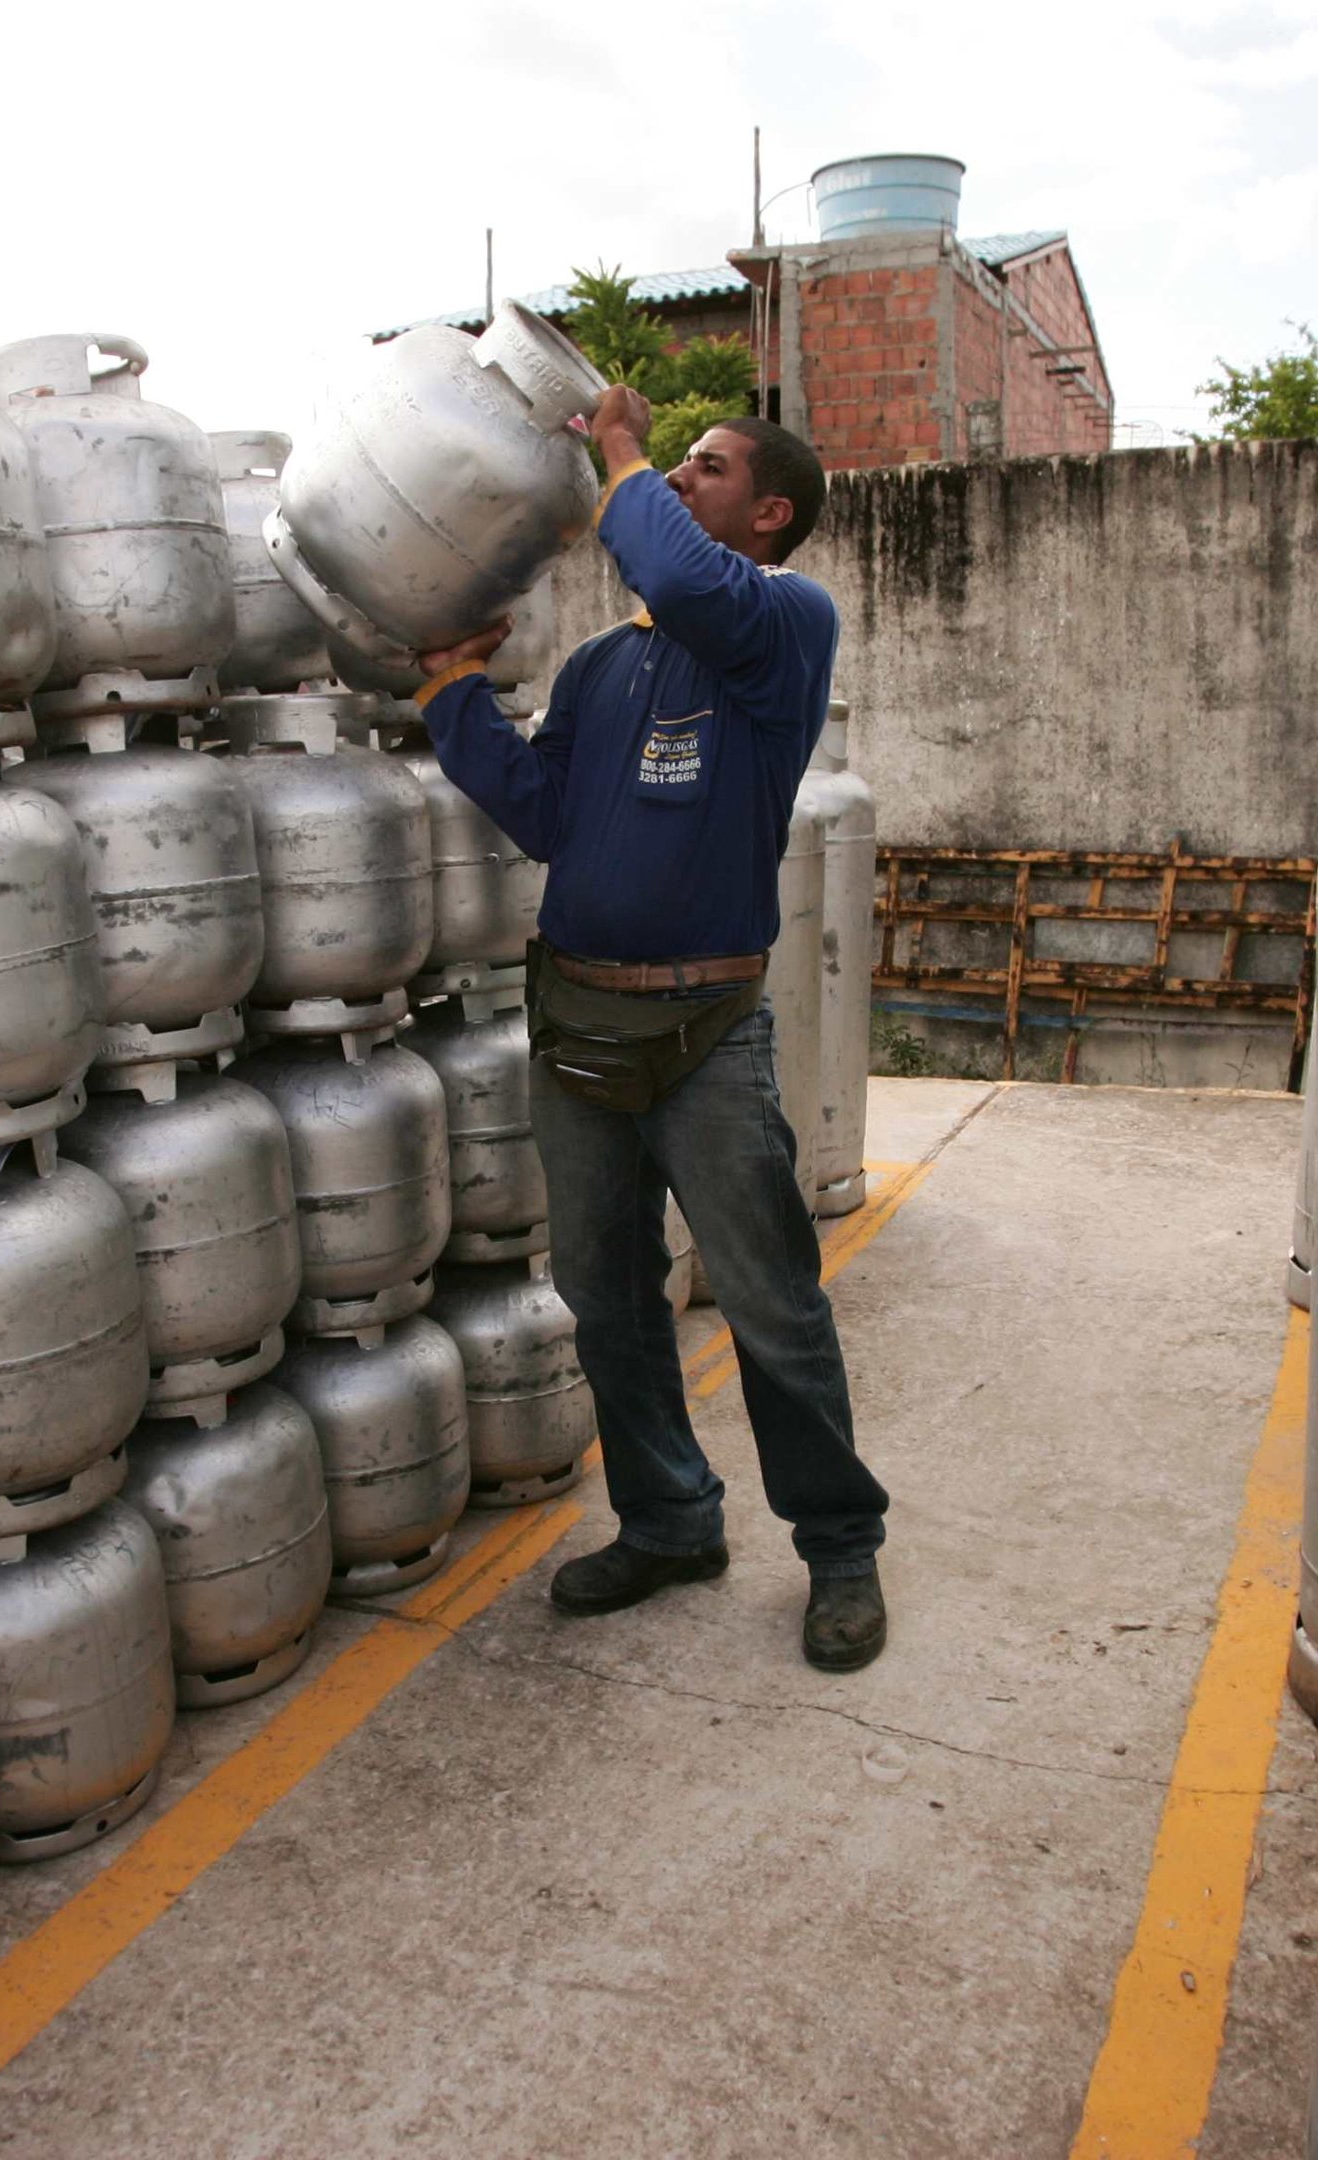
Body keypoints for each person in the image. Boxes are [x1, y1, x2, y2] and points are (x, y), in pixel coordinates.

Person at [406, 384, 890, 1672]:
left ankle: (839, 1549)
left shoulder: (783, 623)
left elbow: (687, 573)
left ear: (770, 514)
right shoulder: (604, 669)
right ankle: (671, 1520)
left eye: (707, 467)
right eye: (672, 463)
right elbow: (545, 814)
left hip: (707, 1033)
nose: (676, 479)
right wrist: (457, 694)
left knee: (773, 1304)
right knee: (608, 1300)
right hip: (579, 1027)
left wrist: (617, 448)